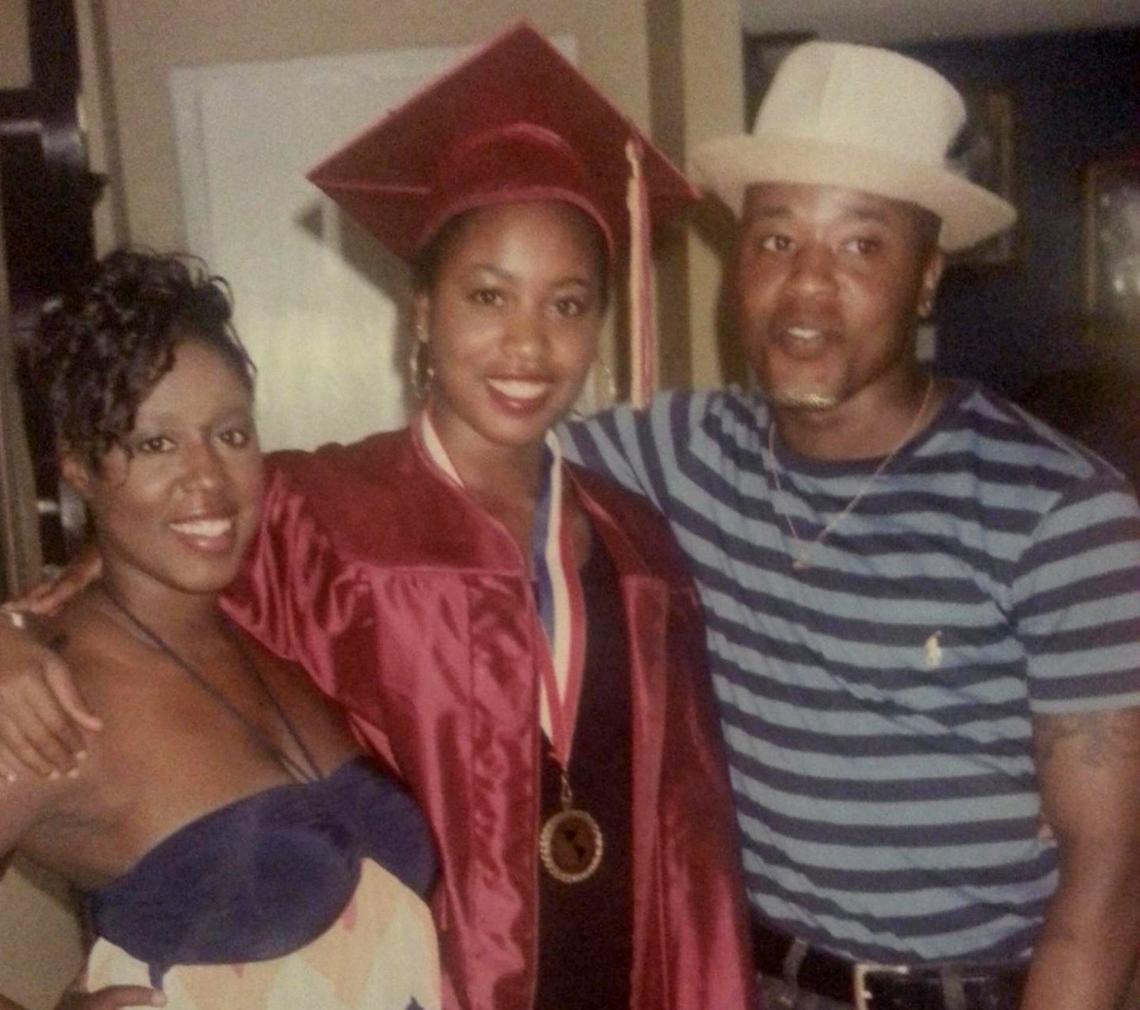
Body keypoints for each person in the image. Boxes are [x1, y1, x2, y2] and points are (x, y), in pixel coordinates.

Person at [0, 24, 756, 1010]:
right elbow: (143, 562)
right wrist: (13, 630)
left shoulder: (639, 545)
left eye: (567, 304)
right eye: (488, 295)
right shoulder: (319, 514)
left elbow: (688, 848)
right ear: (423, 313)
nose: (527, 340)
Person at [559, 40, 1140, 1010]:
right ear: (735, 261)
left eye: (862, 244)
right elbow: (465, 469)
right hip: (748, 980)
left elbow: (1108, 886)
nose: (807, 287)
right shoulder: (677, 455)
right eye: (776, 238)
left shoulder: (1061, 514)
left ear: (926, 278)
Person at [0, 249, 440, 1010]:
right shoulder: (51, 698)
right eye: (155, 444)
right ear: (77, 469)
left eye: (230, 435)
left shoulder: (270, 635)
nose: (206, 480)